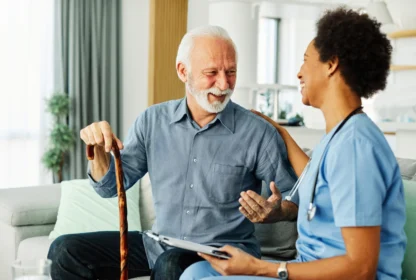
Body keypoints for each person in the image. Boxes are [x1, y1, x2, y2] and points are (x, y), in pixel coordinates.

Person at [47, 25, 298, 280]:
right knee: (65, 250)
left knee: (171, 264)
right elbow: (110, 188)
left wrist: (278, 211)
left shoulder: (258, 132)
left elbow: (296, 197)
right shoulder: (152, 121)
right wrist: (99, 153)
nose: (224, 84)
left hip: (222, 254)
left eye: (231, 72)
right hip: (157, 245)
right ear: (183, 71)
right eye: (211, 72)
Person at [181, 7, 407, 280]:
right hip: (308, 267)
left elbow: (361, 269)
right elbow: (317, 177)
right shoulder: (341, 135)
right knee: (197, 272)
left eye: (305, 60)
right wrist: (280, 132)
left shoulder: (356, 145)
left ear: (331, 64)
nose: (299, 73)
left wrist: (259, 268)